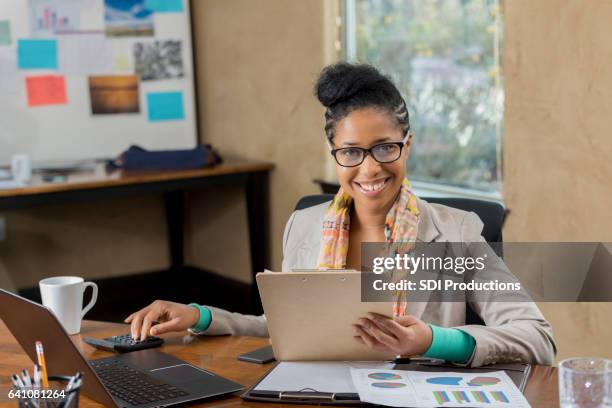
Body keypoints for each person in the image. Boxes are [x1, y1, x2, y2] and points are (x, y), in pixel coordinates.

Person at [126, 63, 556, 367]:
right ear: (334, 154)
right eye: (351, 152)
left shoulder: (456, 230)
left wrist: (433, 340)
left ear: (407, 145)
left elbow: (538, 337)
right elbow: (286, 332)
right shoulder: (305, 225)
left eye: (385, 147)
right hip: (320, 396)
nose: (369, 168)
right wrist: (200, 316)